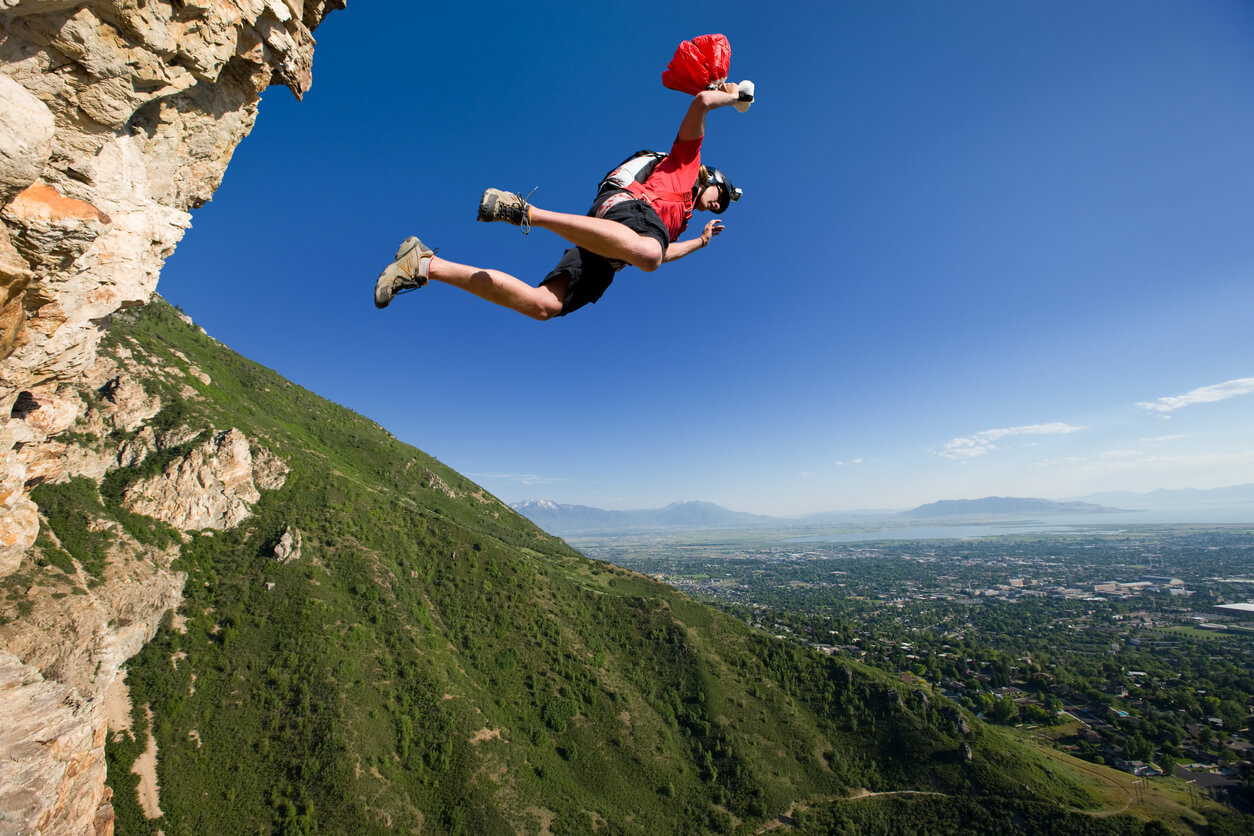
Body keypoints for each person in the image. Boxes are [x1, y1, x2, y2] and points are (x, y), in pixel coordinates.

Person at [374, 81, 751, 319]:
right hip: (628, 210)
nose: (719, 206)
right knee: (647, 253)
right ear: (711, 179)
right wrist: (732, 95)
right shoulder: (686, 164)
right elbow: (701, 101)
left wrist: (699, 243)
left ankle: (425, 264)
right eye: (722, 197)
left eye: (723, 208)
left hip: (613, 247)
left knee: (544, 306)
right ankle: (526, 212)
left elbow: (657, 253)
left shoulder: (677, 223)